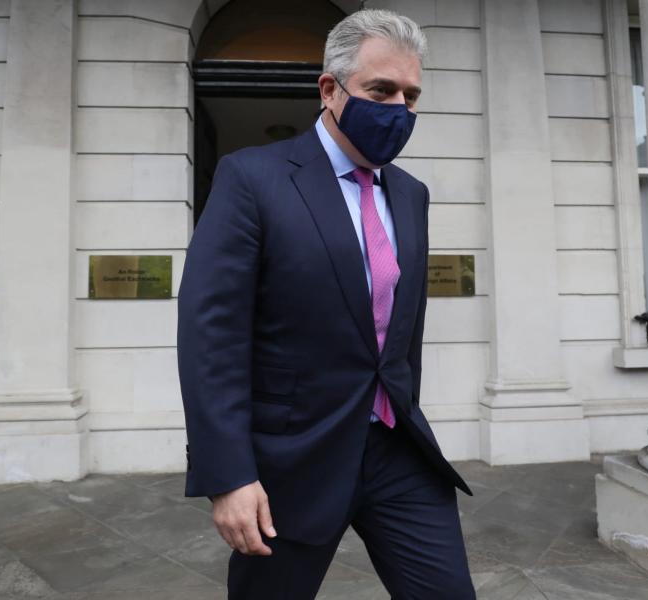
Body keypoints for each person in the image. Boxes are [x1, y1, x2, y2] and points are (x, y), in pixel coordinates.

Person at [177, 9, 476, 599]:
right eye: (381, 90)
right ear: (330, 89)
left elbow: (400, 333)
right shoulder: (252, 178)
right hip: (293, 461)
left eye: (411, 96)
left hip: (396, 452)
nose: (398, 110)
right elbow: (211, 335)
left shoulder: (410, 194)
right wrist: (229, 474)